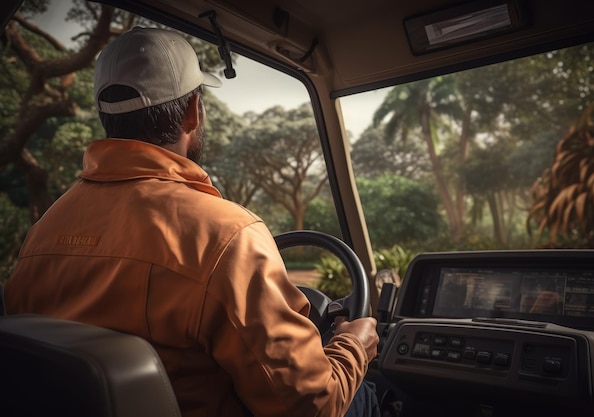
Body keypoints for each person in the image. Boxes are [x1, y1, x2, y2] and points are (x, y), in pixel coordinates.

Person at [3, 27, 379, 417]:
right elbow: (310, 406)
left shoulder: (41, 234)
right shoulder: (227, 236)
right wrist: (353, 345)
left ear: (105, 118)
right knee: (365, 391)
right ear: (193, 111)